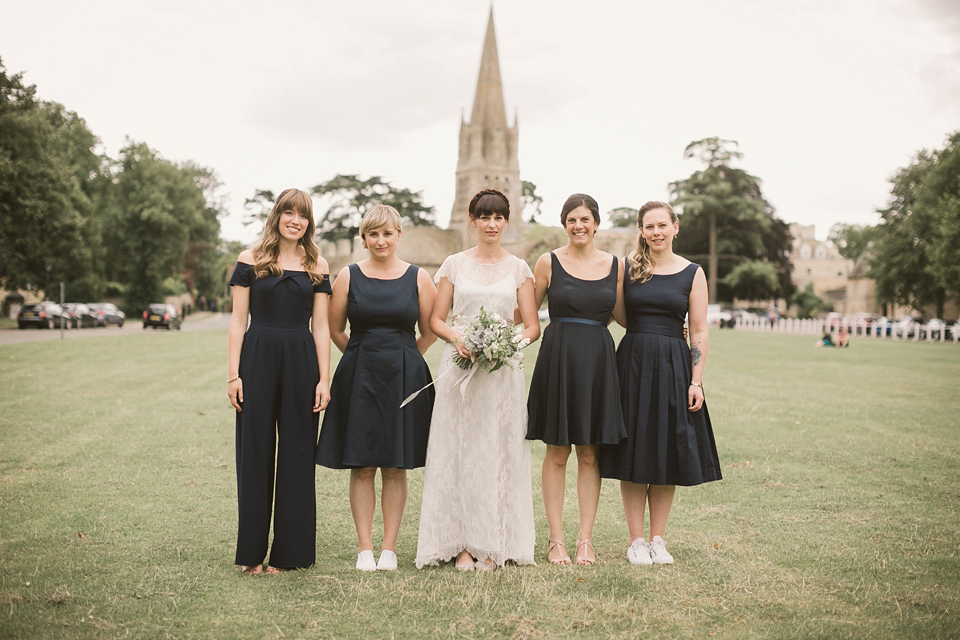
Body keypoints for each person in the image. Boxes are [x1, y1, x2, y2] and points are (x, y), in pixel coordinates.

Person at [415, 189, 541, 571]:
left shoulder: (519, 268)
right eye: (484, 217)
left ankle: (491, 544)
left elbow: (532, 326)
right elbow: (437, 320)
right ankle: (461, 544)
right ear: (472, 221)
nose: (491, 224)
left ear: (506, 221)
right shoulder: (454, 264)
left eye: (498, 217)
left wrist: (505, 343)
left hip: (501, 375)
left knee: (497, 451)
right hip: (459, 368)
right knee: (458, 451)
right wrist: (460, 339)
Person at [315, 205, 437, 572]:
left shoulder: (419, 277)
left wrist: (407, 357)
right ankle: (364, 549)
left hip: (404, 376)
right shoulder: (348, 277)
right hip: (360, 376)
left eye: (387, 233)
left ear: (399, 235)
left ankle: (389, 549)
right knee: (363, 464)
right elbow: (335, 329)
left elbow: (430, 329)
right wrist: (360, 356)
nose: (380, 241)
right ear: (363, 238)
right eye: (373, 234)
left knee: (395, 466)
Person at [600, 201, 721, 566]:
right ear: (641, 230)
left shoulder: (692, 272)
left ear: (674, 228)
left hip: (674, 365)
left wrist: (696, 380)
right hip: (633, 361)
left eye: (661, 225)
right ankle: (635, 541)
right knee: (634, 450)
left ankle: (658, 539)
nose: (655, 232)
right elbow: (618, 313)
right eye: (648, 226)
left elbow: (698, 328)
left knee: (666, 450)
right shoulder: (627, 268)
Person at [227, 188, 331, 574]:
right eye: (288, 213)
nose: (295, 220)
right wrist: (233, 375)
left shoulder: (317, 262)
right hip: (257, 359)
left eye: (302, 215)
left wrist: (325, 379)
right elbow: (238, 320)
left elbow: (320, 326)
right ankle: (251, 555)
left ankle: (291, 556)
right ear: (277, 216)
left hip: (302, 362)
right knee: (253, 455)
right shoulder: (250, 259)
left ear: (308, 222)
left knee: (298, 456)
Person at [525, 193, 626, 566]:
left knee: (589, 452)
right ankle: (556, 540)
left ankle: (585, 540)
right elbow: (527, 312)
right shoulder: (547, 262)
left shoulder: (616, 265)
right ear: (564, 224)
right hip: (558, 356)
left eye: (585, 219)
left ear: (596, 223)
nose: (579, 226)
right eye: (572, 220)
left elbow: (621, 314)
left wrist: (668, 326)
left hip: (598, 359)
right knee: (556, 452)